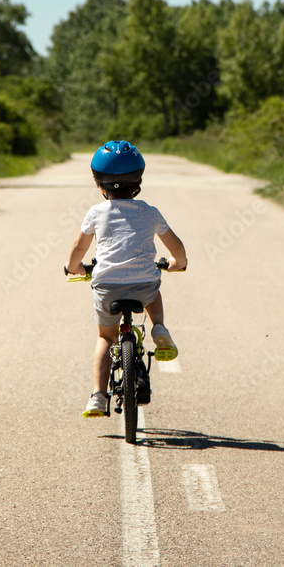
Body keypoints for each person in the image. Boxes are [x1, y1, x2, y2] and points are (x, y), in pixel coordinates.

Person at [65, 140, 188, 418]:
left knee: (105, 338)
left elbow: (78, 249)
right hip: (143, 286)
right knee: (153, 286)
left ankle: (98, 396)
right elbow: (176, 246)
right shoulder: (150, 212)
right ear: (138, 182)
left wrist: (74, 268)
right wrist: (178, 263)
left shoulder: (96, 213)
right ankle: (159, 328)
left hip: (107, 287)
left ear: (100, 185)